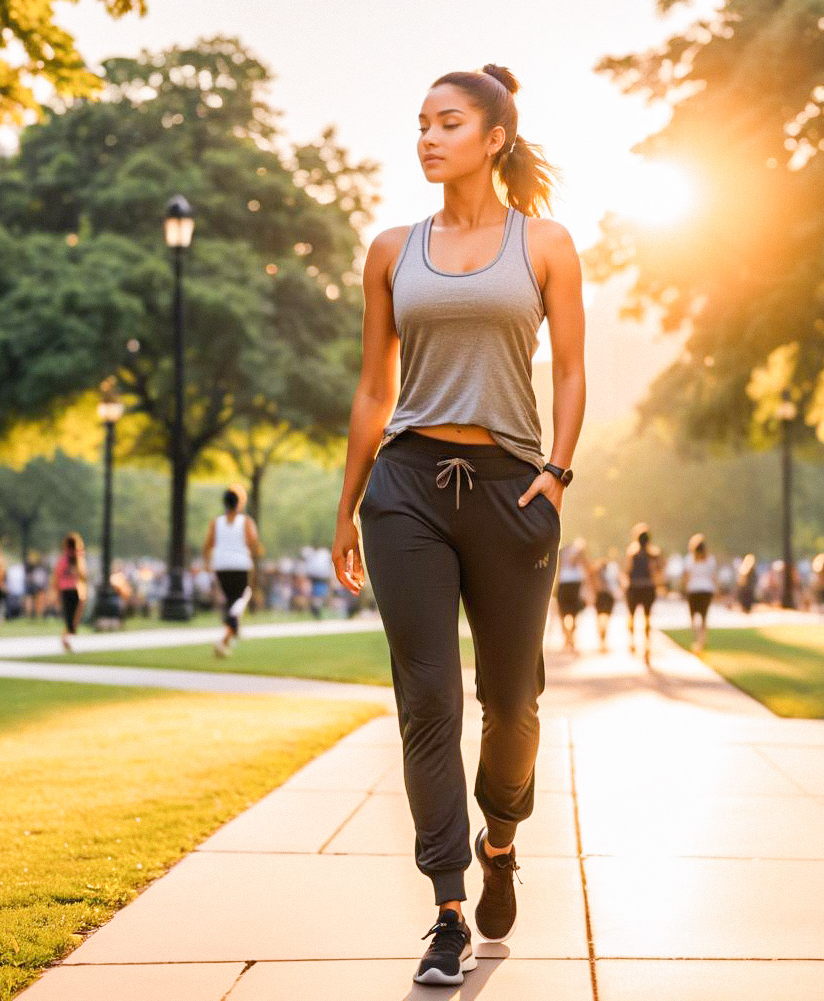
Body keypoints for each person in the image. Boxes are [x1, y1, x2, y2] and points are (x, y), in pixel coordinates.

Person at [331, 64, 582, 987]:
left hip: (514, 489)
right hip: (406, 489)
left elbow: (569, 372)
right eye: (421, 124)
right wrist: (349, 504)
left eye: (447, 123)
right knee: (426, 699)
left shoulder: (545, 243)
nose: (428, 138)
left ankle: (502, 842)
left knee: (512, 700)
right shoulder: (392, 249)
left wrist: (556, 472)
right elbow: (372, 389)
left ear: (494, 138)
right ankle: (445, 904)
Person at [203, 485, 262, 657]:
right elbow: (253, 543)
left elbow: (207, 545)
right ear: (239, 504)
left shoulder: (216, 522)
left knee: (231, 600)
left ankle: (231, 636)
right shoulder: (246, 522)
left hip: (221, 565)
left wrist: (207, 563)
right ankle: (226, 636)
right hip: (240, 565)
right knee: (243, 596)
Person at [623, 523, 662, 665]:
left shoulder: (632, 554)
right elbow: (658, 572)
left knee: (632, 616)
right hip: (647, 588)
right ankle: (646, 645)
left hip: (634, 588)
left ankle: (633, 641)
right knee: (647, 617)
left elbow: (627, 571)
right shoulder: (654, 555)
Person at [52, 533, 87, 652]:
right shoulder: (64, 560)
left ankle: (66, 638)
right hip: (68, 590)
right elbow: (57, 577)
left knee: (72, 618)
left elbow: (83, 576)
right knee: (70, 618)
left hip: (74, 590)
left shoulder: (77, 559)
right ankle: (66, 639)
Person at [682, 533, 717, 653]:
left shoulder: (689, 559)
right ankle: (702, 639)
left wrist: (684, 588)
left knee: (693, 616)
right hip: (707, 590)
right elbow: (713, 576)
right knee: (704, 617)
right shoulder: (710, 560)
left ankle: (697, 639)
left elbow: (686, 577)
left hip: (693, 590)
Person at [554, 538, 590, 653]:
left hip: (565, 583)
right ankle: (570, 638)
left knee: (564, 613)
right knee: (572, 613)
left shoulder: (561, 552)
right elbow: (585, 567)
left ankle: (569, 638)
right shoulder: (575, 552)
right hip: (572, 583)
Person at [592, 548, 620, 652]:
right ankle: (602, 641)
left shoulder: (609, 569)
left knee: (602, 620)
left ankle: (602, 641)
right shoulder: (597, 571)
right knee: (603, 620)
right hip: (603, 596)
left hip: (605, 597)